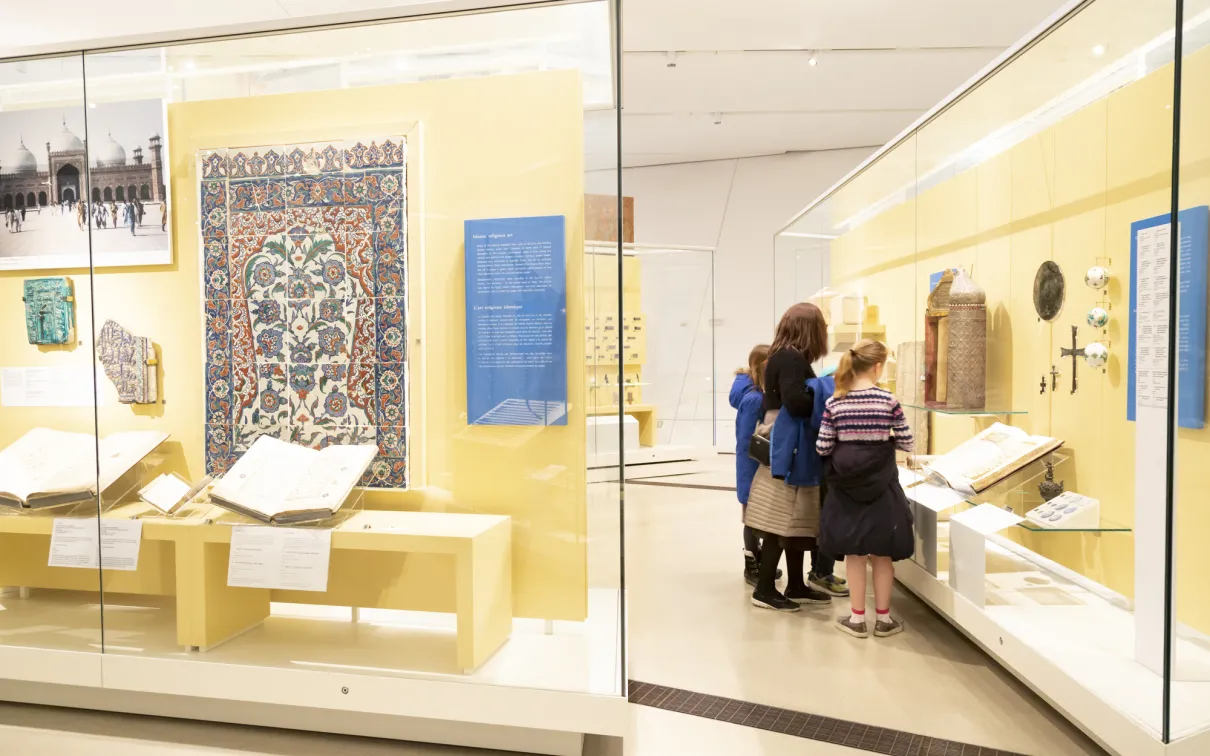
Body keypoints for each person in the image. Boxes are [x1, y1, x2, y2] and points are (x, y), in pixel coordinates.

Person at [744, 302, 848, 611]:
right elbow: (796, 402)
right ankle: (764, 589)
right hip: (788, 454)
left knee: (798, 522)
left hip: (788, 451)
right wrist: (827, 387)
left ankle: (797, 584)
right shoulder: (790, 359)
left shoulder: (785, 355)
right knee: (781, 522)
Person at [816, 339, 915, 639]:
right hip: (883, 489)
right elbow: (908, 442)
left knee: (854, 555)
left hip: (846, 492)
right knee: (882, 555)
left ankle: (857, 619)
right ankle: (884, 620)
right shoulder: (888, 401)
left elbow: (823, 447)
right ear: (877, 366)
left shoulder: (835, 403)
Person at [730, 344, 779, 586]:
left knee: (756, 515)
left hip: (755, 462)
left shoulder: (758, 395)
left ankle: (758, 559)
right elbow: (747, 437)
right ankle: (752, 565)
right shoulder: (753, 399)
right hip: (752, 464)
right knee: (751, 517)